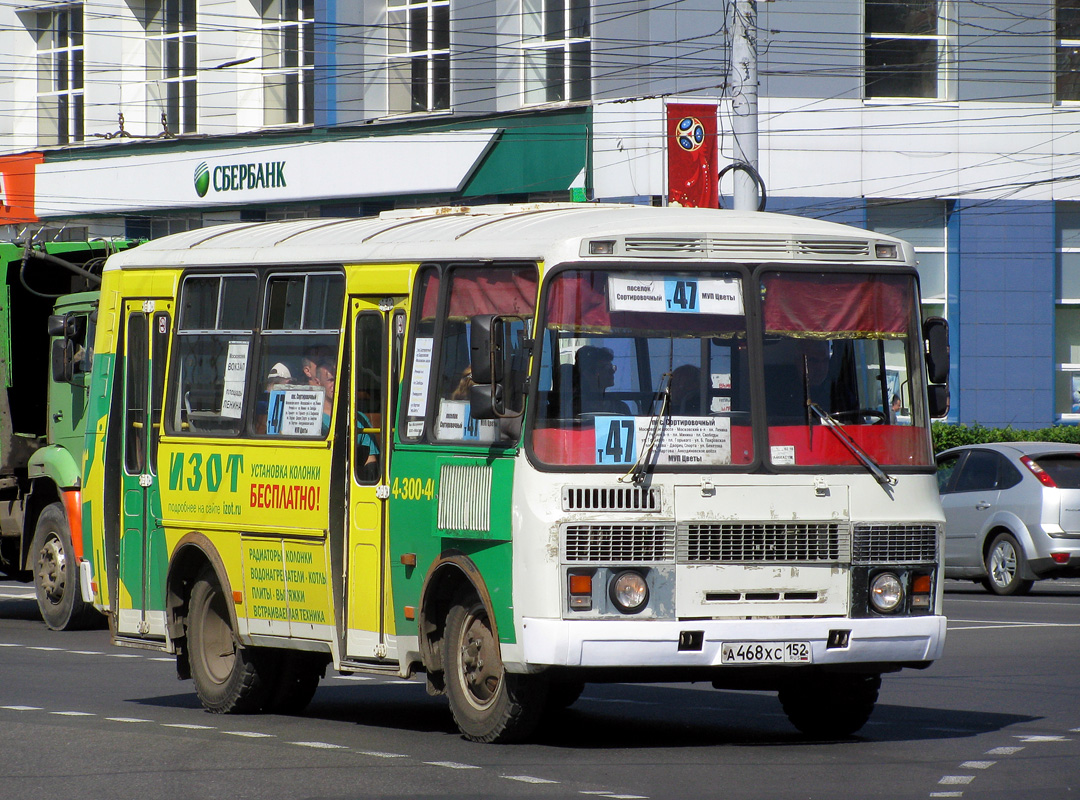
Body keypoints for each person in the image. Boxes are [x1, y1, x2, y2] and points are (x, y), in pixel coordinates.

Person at [574, 345, 632, 415]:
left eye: (612, 367)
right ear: (587, 374)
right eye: (606, 367)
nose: (612, 371)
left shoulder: (621, 408)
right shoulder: (574, 408)